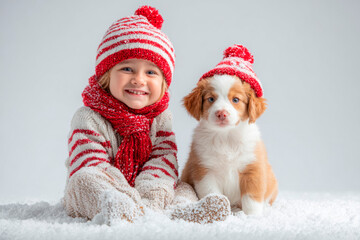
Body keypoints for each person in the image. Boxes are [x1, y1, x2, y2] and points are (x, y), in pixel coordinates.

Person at [63, 5, 230, 224]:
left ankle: (184, 211)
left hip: (149, 192)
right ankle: (118, 206)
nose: (139, 79)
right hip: (105, 187)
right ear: (106, 74)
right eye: (127, 69)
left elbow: (163, 160)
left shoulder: (160, 119)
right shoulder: (88, 117)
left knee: (183, 187)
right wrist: (126, 195)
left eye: (151, 72)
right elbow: (91, 162)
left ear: (163, 83)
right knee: (84, 180)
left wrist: (150, 197)